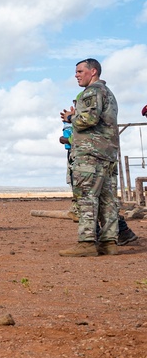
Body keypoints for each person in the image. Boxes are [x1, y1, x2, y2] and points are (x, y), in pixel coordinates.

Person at [59, 59, 120, 256]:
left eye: (79, 71)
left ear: (93, 71)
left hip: (90, 154)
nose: (76, 75)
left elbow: (88, 119)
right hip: (107, 154)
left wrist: (71, 118)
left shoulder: (92, 92)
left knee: (87, 197)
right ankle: (109, 243)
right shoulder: (109, 93)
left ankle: (86, 243)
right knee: (107, 199)